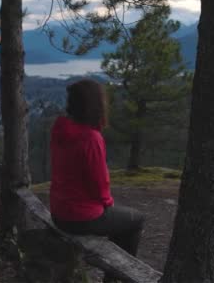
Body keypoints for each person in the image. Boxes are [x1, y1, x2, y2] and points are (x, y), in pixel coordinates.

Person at [49, 78, 145, 271]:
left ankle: (113, 268)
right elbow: (99, 184)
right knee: (136, 219)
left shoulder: (60, 128)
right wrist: (107, 203)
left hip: (58, 211)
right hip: (80, 217)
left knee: (120, 222)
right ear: (96, 104)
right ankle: (116, 276)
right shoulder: (90, 138)